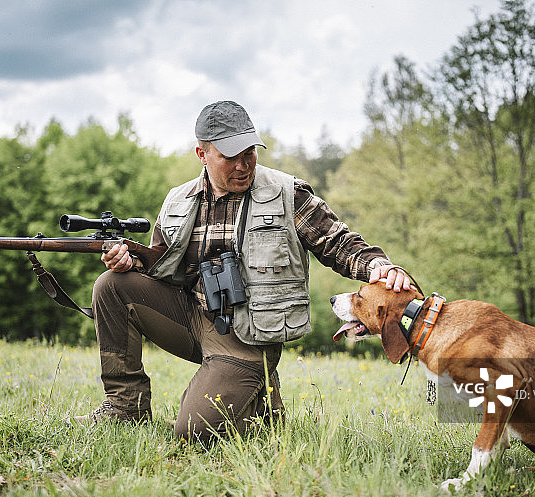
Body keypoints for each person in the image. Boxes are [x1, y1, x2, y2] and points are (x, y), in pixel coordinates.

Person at [75, 100, 411, 442]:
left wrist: (378, 266)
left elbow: (337, 242)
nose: (243, 164)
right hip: (194, 317)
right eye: (230, 156)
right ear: (202, 154)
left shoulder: (286, 193)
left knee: (194, 432)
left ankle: (259, 395)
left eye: (249, 152)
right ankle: (124, 406)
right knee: (111, 285)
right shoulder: (178, 200)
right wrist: (131, 264)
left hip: (249, 338)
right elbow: (160, 268)